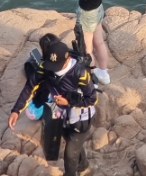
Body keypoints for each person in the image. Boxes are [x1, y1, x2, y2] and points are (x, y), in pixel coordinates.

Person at [9, 41, 98, 176]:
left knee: (69, 155)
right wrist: (16, 110)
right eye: (51, 66)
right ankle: (83, 165)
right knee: (70, 142)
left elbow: (92, 99)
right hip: (61, 114)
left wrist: (68, 102)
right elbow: (30, 86)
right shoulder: (46, 67)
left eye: (57, 66)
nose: (53, 69)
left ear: (68, 59)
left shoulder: (80, 73)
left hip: (81, 117)